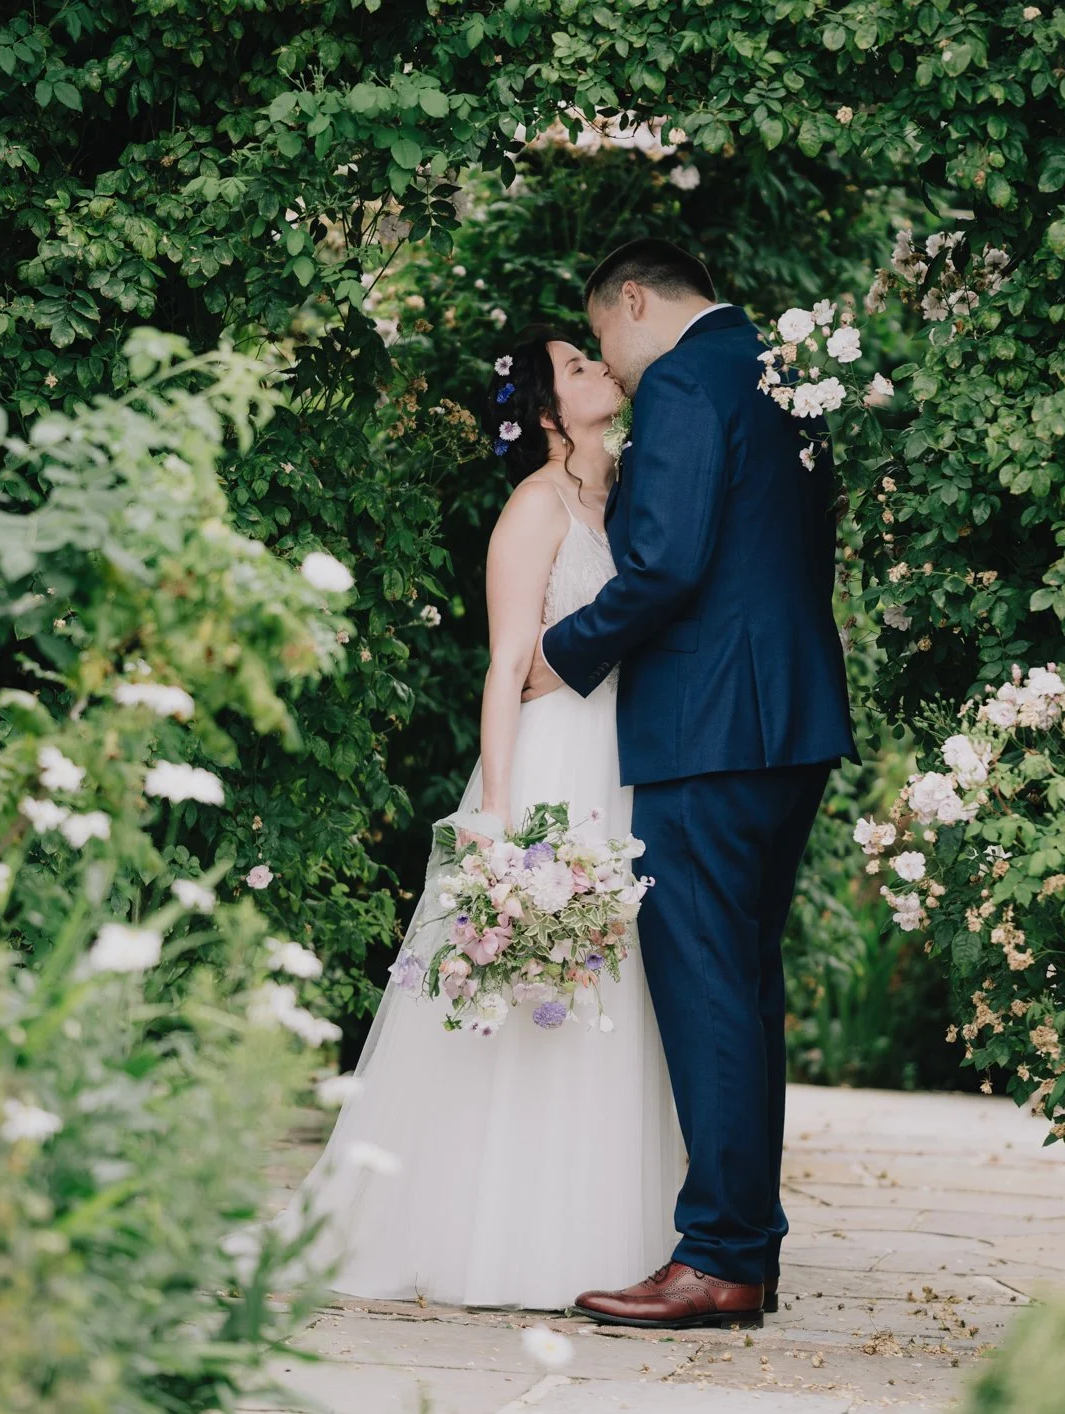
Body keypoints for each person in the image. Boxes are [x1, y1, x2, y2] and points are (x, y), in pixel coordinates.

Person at [295, 327, 685, 1311]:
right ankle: (489, 1235)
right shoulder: (534, 505)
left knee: (605, 998)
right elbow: (507, 664)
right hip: (554, 764)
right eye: (579, 365)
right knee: (528, 994)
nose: (603, 368)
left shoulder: (627, 503)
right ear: (550, 413)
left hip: (622, 773)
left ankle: (599, 1236)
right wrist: (500, 823)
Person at [532, 238, 857, 1329]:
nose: (614, 374)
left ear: (632, 300)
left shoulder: (679, 377)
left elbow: (665, 561)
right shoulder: (778, 370)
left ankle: (719, 1253)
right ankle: (743, 1248)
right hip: (790, 716)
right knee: (745, 987)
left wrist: (562, 652)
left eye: (607, 345)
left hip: (708, 726)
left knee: (711, 984)